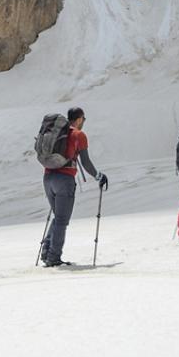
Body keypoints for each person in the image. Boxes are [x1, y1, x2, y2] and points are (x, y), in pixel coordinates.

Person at [41, 106, 108, 267]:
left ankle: (46, 252)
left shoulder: (58, 134)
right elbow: (85, 162)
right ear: (78, 119)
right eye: (83, 119)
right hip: (64, 180)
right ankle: (53, 258)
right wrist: (99, 176)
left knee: (58, 216)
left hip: (48, 177)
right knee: (62, 220)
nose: (84, 122)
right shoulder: (79, 135)